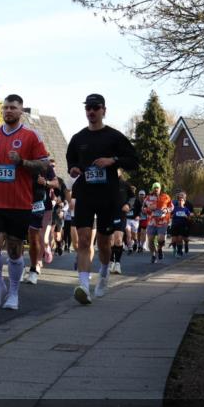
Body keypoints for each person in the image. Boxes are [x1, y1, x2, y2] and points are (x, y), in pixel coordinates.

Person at [65, 93, 139, 304]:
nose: (91, 111)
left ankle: (104, 273)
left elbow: (133, 160)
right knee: (84, 239)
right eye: (88, 108)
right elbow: (71, 159)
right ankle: (84, 286)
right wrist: (73, 169)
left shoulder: (114, 137)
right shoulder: (78, 138)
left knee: (105, 244)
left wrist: (112, 160)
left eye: (95, 107)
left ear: (104, 110)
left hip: (108, 196)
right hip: (85, 195)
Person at [0, 94, 50, 310]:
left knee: (14, 250)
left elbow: (44, 164)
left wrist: (22, 162)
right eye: (5, 108)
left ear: (21, 111)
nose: (8, 111)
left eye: (12, 107)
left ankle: (13, 293)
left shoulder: (31, 136)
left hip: (19, 202)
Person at [25, 162, 60, 284]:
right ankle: (21, 265)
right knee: (25, 237)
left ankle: (37, 264)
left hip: (44, 206)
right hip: (23, 204)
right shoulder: (21, 163)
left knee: (40, 237)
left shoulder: (45, 166)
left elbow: (56, 183)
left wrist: (46, 183)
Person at [108, 173, 134, 274]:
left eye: (116, 170)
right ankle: (111, 262)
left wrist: (128, 205)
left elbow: (132, 197)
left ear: (120, 171)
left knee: (118, 239)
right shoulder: (106, 183)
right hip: (108, 215)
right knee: (110, 240)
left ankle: (117, 264)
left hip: (120, 214)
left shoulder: (125, 184)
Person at [144, 182, 173, 263]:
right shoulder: (148, 197)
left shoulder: (166, 196)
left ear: (160, 189)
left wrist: (166, 210)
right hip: (151, 222)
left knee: (161, 239)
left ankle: (159, 249)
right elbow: (143, 208)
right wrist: (148, 209)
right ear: (152, 189)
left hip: (162, 222)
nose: (156, 189)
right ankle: (153, 255)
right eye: (154, 188)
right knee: (150, 240)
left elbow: (171, 206)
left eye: (157, 188)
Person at [170, 190, 193, 257]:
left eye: (182, 200)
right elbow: (170, 215)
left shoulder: (186, 209)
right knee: (174, 240)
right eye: (179, 200)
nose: (180, 202)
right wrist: (172, 216)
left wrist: (187, 217)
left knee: (180, 239)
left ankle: (179, 251)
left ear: (184, 201)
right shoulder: (175, 208)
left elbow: (190, 217)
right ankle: (174, 249)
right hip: (174, 225)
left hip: (182, 226)